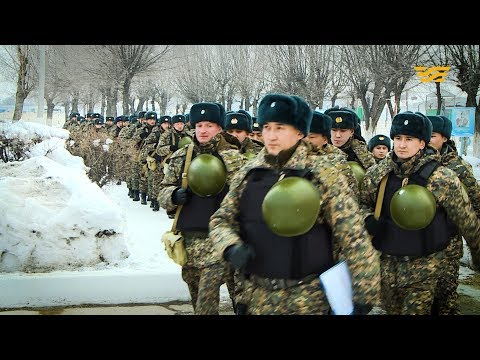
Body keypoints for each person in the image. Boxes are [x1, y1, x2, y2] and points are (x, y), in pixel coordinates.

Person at [209, 93, 380, 315]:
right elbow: (221, 219)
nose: (271, 135)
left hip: (308, 298)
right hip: (257, 297)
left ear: (299, 131)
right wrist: (230, 246)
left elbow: (353, 236)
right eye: (267, 127)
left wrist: (364, 293)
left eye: (280, 128)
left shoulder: (322, 175)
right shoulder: (249, 174)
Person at [360, 111, 480, 315]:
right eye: (398, 138)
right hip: (387, 265)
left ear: (422, 143)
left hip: (424, 267)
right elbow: (361, 204)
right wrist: (367, 218)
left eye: (409, 139)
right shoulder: (378, 174)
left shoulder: (441, 177)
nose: (402, 145)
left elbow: (467, 219)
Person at [157, 102, 246, 315]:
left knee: (207, 304)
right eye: (199, 125)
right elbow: (162, 191)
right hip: (189, 241)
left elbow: (245, 196)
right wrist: (173, 195)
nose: (203, 130)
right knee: (198, 302)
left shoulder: (232, 158)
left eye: (209, 125)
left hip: (218, 241)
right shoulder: (182, 157)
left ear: (219, 128)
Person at [427, 115, 480, 315]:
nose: (427, 139)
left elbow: (474, 203)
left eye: (432, 136)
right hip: (421, 241)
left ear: (445, 139)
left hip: (448, 243)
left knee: (444, 298)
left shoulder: (458, 167)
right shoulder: (415, 163)